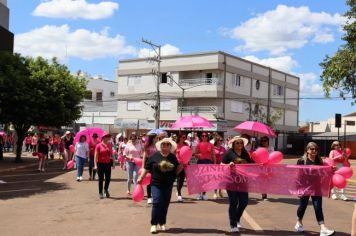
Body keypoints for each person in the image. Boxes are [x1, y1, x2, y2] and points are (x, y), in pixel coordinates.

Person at [137, 138, 184, 234]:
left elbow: (176, 171)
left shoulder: (172, 157)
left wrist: (182, 165)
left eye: (167, 144)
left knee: (165, 205)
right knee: (157, 202)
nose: (165, 146)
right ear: (160, 145)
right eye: (163, 144)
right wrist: (141, 177)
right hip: (156, 184)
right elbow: (147, 168)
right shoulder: (154, 156)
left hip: (168, 184)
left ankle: (162, 222)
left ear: (170, 146)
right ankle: (153, 224)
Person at [295, 142, 335, 236]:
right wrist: (298, 188)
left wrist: (331, 169)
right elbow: (298, 175)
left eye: (316, 149)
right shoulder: (301, 161)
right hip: (305, 187)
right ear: (307, 150)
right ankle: (299, 222)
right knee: (303, 206)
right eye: (312, 149)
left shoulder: (319, 161)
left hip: (316, 187)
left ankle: (322, 228)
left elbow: (324, 173)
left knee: (318, 207)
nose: (314, 151)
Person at [222, 136, 253, 233]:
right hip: (231, 181)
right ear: (233, 144)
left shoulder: (245, 153)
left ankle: (237, 218)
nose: (239, 145)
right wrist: (228, 165)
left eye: (241, 143)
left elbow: (252, 164)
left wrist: (262, 165)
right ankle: (233, 225)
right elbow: (221, 165)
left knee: (244, 202)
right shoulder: (229, 153)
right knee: (233, 202)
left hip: (243, 181)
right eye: (237, 143)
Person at [195, 132, 216, 200]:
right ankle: (198, 193)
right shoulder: (198, 144)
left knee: (206, 179)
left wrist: (215, 164)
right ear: (201, 137)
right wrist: (198, 155)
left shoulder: (211, 145)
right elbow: (195, 154)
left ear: (207, 137)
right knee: (200, 179)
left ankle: (204, 194)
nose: (204, 137)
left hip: (208, 162)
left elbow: (213, 155)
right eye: (203, 136)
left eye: (206, 136)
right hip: (201, 162)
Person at [94, 133, 115, 199]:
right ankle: (100, 192)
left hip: (108, 164)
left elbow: (112, 155)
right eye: (107, 136)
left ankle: (106, 190)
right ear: (103, 137)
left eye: (109, 136)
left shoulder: (109, 145)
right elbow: (95, 156)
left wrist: (113, 163)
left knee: (108, 178)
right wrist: (95, 165)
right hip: (100, 164)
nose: (108, 138)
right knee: (101, 179)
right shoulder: (98, 145)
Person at [142, 133, 158, 204]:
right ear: (153, 138)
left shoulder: (158, 145)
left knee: (155, 181)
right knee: (149, 180)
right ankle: (149, 197)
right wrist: (143, 166)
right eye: (156, 138)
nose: (157, 139)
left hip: (156, 165)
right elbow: (144, 156)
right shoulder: (147, 145)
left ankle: (154, 195)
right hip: (148, 164)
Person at [259, 136, 274, 201]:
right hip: (262, 167)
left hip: (269, 166)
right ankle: (264, 195)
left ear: (268, 141)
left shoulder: (271, 147)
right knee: (263, 181)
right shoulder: (259, 148)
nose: (264, 142)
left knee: (268, 181)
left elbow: (273, 156)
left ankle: (265, 193)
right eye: (262, 141)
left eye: (265, 140)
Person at [175, 133, 189, 202]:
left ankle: (178, 191)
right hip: (177, 164)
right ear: (179, 137)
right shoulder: (175, 144)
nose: (184, 138)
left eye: (185, 137)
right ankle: (179, 195)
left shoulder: (186, 145)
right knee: (179, 179)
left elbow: (188, 153)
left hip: (184, 164)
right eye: (183, 137)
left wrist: (187, 162)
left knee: (182, 180)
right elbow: (172, 154)